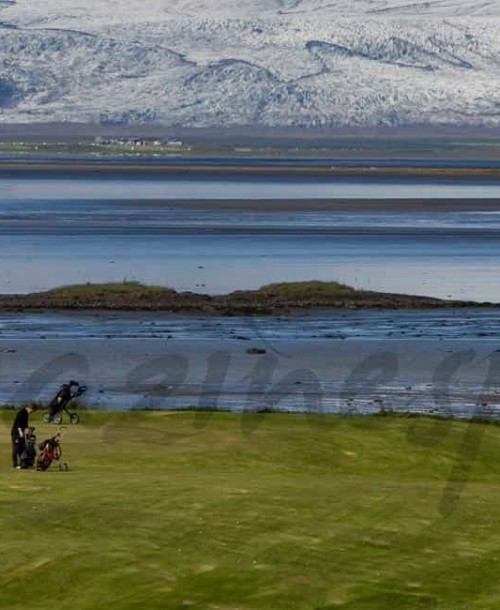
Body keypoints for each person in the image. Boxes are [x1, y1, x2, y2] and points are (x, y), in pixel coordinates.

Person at [11, 403, 37, 469]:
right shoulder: (21, 413)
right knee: (16, 449)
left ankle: (23, 463)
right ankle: (15, 464)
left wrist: (29, 429)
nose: (32, 412)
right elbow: (18, 423)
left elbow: (25, 425)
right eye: (32, 411)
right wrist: (20, 432)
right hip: (16, 433)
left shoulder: (26, 413)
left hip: (21, 433)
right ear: (29, 408)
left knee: (21, 448)